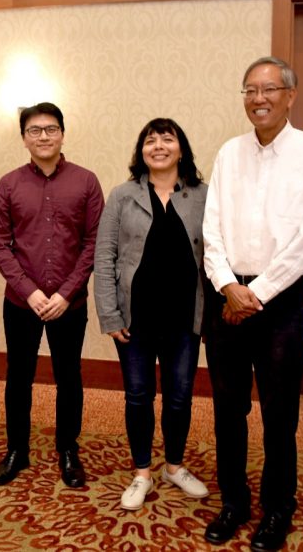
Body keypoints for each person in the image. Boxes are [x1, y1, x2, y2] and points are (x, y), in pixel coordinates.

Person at [202, 57, 303, 551]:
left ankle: (278, 507)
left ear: (290, 96)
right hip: (228, 297)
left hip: (282, 303)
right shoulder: (228, 153)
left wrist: (254, 294)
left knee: (281, 412)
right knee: (227, 409)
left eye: (269, 89)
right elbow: (211, 229)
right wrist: (227, 286)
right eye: (250, 90)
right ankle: (233, 501)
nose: (259, 98)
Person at [94, 118, 209, 511]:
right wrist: (110, 315)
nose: (158, 145)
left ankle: (174, 466)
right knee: (139, 396)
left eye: (167, 138)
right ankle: (142, 471)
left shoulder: (203, 195)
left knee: (179, 397)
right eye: (150, 139)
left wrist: (211, 317)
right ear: (141, 149)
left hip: (183, 320)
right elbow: (104, 255)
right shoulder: (122, 195)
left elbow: (215, 257)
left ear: (181, 149)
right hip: (135, 318)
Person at [0, 102, 105, 488]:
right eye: (34, 130)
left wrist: (66, 293)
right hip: (21, 302)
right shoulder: (9, 184)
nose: (43, 136)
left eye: (50, 129)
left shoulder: (86, 182)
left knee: (68, 377)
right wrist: (31, 291)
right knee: (17, 378)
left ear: (63, 133)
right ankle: (16, 451)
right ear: (24, 138)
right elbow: (1, 246)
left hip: (69, 305)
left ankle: (68, 450)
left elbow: (93, 243)